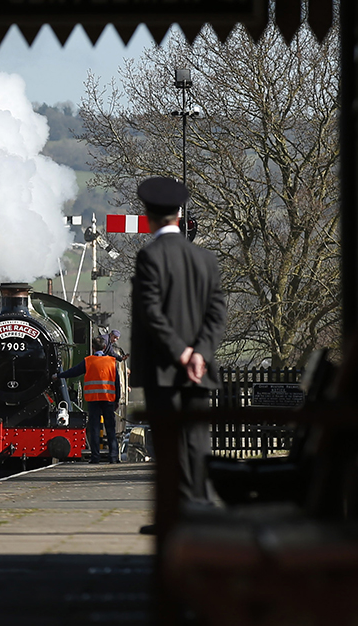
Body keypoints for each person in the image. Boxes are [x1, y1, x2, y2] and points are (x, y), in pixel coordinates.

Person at [130, 177, 227, 531]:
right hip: (200, 369)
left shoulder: (149, 257)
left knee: (168, 444)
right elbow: (218, 313)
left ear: (148, 215)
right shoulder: (205, 258)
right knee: (198, 439)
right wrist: (199, 353)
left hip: (163, 369)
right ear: (180, 213)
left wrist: (181, 352)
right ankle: (200, 505)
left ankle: (172, 512)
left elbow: (151, 312)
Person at [57, 336, 122, 464]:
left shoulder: (88, 361)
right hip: (108, 399)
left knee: (95, 428)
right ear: (104, 348)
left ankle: (95, 457)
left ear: (93, 348)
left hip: (93, 400)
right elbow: (117, 383)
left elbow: (73, 372)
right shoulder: (112, 362)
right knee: (110, 428)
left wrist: (58, 375)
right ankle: (113, 457)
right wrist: (117, 400)